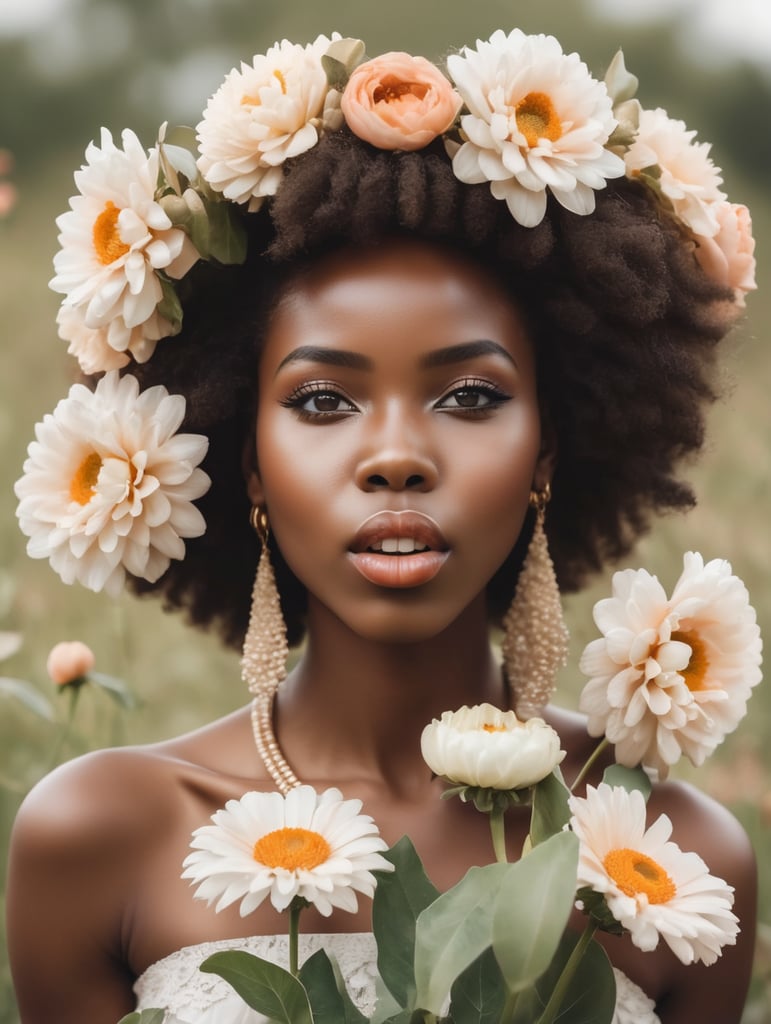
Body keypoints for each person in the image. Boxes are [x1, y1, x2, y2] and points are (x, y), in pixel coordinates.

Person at [6, 28, 759, 1024]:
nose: (397, 455)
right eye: (323, 401)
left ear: (548, 456)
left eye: (469, 396)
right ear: (246, 463)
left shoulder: (677, 864)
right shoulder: (97, 835)